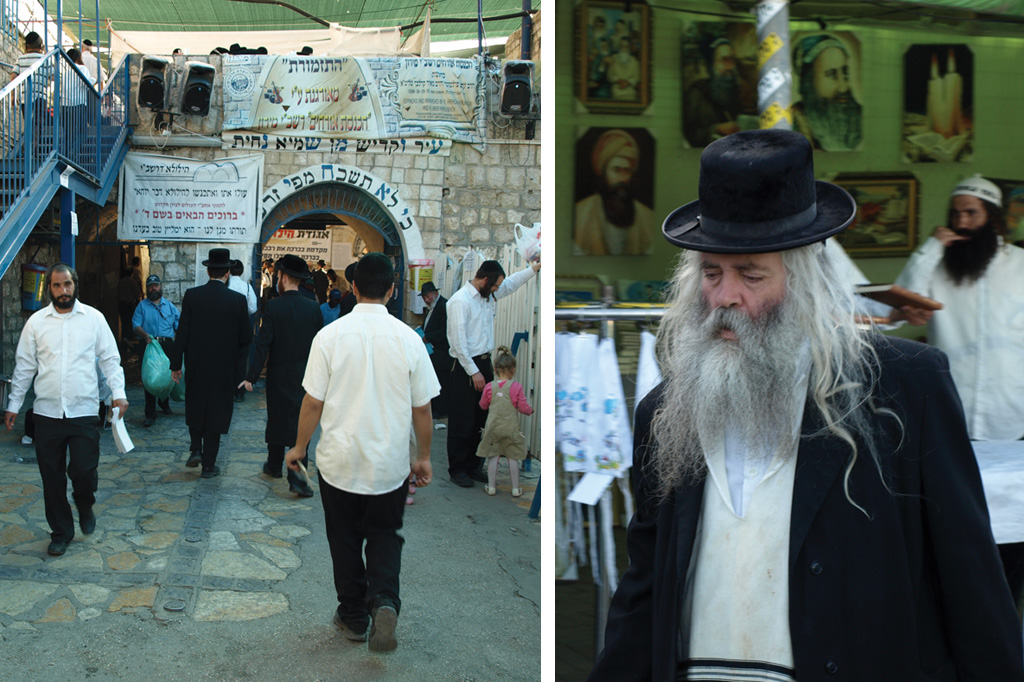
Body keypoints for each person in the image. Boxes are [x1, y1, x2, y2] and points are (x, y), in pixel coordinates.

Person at [588, 129, 1022, 681]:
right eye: (711, 273)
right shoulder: (664, 413)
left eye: (751, 275)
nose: (724, 297)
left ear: (807, 282)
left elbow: (970, 581)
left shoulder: (905, 389)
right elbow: (645, 587)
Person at [285, 253, 439, 652]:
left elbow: (312, 402)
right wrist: (423, 457)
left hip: (339, 463)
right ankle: (384, 600)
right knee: (385, 535)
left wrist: (299, 447)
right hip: (388, 466)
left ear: (353, 288)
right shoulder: (409, 339)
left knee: (345, 539)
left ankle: (353, 617)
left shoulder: (330, 336)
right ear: (392, 290)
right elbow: (423, 408)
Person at [4, 263, 128, 557]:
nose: (63, 291)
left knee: (83, 470)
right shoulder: (36, 323)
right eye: (57, 285)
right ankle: (61, 532)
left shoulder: (94, 319)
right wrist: (14, 404)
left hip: (84, 411)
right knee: (52, 477)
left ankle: (84, 502)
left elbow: (110, 359)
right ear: (49, 288)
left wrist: (119, 394)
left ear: (75, 285)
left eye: (67, 284)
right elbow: (25, 366)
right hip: (47, 413)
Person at [446, 258, 539, 487]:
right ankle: (458, 469)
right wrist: (474, 372)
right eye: (495, 285)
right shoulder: (460, 301)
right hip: (466, 367)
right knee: (463, 420)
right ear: (485, 280)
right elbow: (458, 343)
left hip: (484, 364)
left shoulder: (488, 295)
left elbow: (511, 284)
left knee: (481, 418)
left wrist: (534, 269)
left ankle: (473, 466)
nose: (498, 289)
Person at [241, 254, 322, 498]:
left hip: (278, 374)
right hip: (306, 375)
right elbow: (321, 345)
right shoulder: (313, 307)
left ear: (284, 278)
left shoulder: (274, 306)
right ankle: (296, 476)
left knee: (277, 418)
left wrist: (251, 376)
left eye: (278, 276)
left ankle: (275, 465)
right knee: (301, 422)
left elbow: (263, 343)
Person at [168, 248, 252, 478]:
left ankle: (196, 448)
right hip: (224, 367)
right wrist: (241, 372)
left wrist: (175, 364)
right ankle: (208, 465)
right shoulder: (238, 300)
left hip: (197, 363)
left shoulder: (192, 296)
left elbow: (182, 332)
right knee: (217, 411)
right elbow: (245, 339)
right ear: (227, 273)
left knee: (195, 403)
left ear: (208, 271)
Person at [574, 129, 655, 256]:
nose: (622, 179)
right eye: (616, 170)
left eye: (626, 171)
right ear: (604, 172)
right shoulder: (580, 213)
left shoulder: (648, 217)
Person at [476, 346, 533, 497]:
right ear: (513, 370)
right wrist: (530, 411)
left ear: (495, 369)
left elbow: (483, 405)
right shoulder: (516, 387)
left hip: (493, 428)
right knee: (512, 457)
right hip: (510, 428)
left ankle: (491, 487)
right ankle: (515, 488)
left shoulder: (489, 387)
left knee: (493, 456)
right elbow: (523, 407)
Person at [792, 34, 863, 151]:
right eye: (831, 74)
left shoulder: (859, 117)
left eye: (845, 73)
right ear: (809, 82)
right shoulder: (791, 124)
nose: (843, 87)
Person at [683, 37, 753, 148]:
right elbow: (689, 134)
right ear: (711, 65)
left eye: (732, 60)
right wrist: (716, 129)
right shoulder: (696, 94)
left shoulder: (738, 91)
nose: (730, 67)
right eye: (724, 60)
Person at [132, 274, 180, 427]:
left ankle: (164, 403)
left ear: (160, 287)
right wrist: (144, 335)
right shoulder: (142, 306)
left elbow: (179, 326)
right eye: (150, 286)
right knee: (150, 378)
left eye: (156, 285)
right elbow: (135, 325)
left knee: (167, 376)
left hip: (167, 345)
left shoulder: (170, 306)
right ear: (147, 288)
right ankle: (150, 413)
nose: (153, 288)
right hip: (150, 345)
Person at [14, 32, 54, 162]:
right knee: (38, 124)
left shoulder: (21, 59)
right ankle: (31, 150)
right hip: (39, 97)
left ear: (27, 45)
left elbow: (14, 75)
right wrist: (47, 54)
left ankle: (30, 149)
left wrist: (14, 94)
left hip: (25, 97)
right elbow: (54, 76)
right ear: (41, 45)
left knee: (29, 123)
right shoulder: (44, 59)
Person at [228, 259, 259, 403]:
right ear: (242, 272)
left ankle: (227, 389)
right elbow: (253, 308)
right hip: (242, 326)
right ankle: (239, 392)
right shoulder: (246, 287)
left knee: (227, 359)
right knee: (241, 361)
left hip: (227, 326)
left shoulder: (226, 285)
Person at [418, 281, 449, 420]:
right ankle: (435, 407)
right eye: (424, 297)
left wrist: (428, 337)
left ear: (435, 294)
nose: (426, 300)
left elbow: (444, 331)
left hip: (441, 353)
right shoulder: (432, 307)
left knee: (441, 381)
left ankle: (440, 409)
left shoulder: (443, 306)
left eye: (427, 296)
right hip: (432, 352)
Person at [606, 36, 640, 101]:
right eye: (622, 46)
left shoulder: (634, 61)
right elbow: (609, 76)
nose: (624, 48)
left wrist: (627, 83)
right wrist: (618, 80)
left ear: (629, 47)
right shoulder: (613, 58)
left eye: (626, 46)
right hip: (616, 89)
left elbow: (636, 77)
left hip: (629, 90)